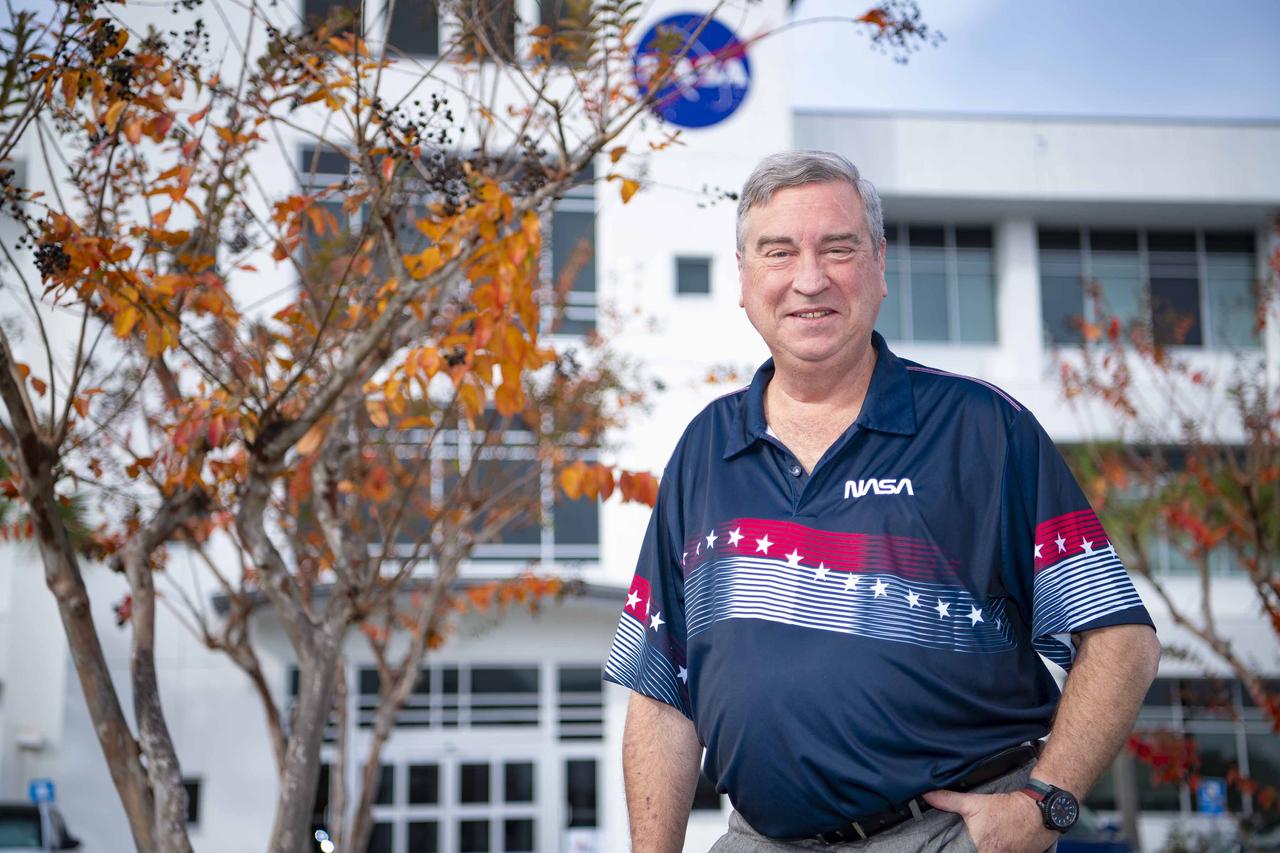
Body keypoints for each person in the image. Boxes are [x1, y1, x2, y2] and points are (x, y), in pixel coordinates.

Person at [602, 150, 1161, 852]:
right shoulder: (704, 450)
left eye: (838, 248)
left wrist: (1043, 802)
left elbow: (1121, 640)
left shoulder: (981, 429)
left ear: (879, 265)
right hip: (760, 838)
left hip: (946, 835)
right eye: (779, 252)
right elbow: (660, 692)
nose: (810, 278)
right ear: (742, 280)